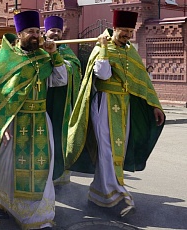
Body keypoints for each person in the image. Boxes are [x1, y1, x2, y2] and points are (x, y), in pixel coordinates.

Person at [0, 10, 71, 229]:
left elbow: (60, 81)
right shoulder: (8, 60)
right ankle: (0, 201)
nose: (35, 35)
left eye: (37, 31)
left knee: (42, 169)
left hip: (40, 120)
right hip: (13, 120)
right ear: (19, 33)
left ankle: (38, 216)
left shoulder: (44, 57)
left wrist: (54, 55)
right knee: (6, 168)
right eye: (30, 31)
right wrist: (0, 125)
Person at [66, 10, 165, 217]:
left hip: (124, 105)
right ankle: (115, 194)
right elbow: (102, 74)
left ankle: (100, 194)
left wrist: (155, 105)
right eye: (124, 31)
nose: (127, 35)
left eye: (130, 31)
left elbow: (143, 81)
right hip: (105, 104)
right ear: (115, 29)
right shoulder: (102, 47)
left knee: (117, 150)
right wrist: (102, 48)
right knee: (107, 149)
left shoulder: (130, 51)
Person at [44, 15, 82, 185]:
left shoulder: (66, 50)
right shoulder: (38, 48)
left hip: (62, 102)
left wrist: (59, 62)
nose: (56, 34)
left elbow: (73, 68)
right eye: (53, 30)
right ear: (45, 32)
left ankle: (58, 177)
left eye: (59, 31)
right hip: (42, 99)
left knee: (59, 138)